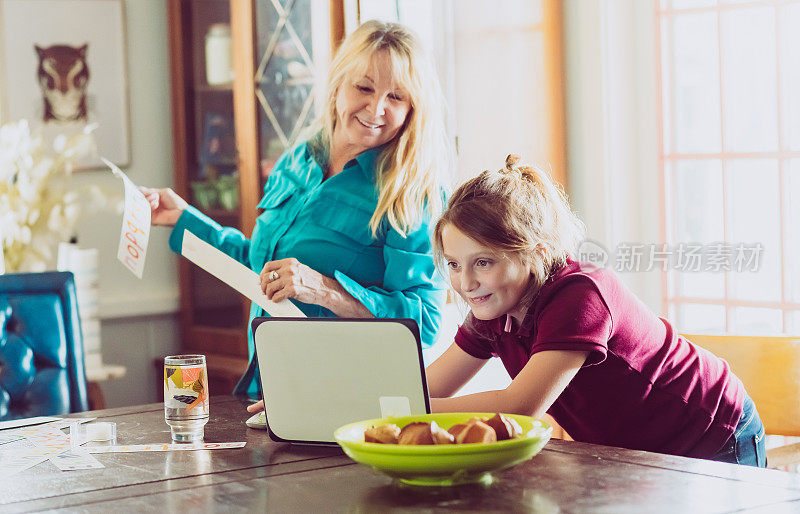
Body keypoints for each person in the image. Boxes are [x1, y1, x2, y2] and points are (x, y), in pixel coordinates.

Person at [142, 20, 450, 403]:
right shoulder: (297, 161)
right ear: (338, 84)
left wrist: (326, 290)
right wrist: (184, 218)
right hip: (269, 387)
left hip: (350, 400)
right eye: (364, 87)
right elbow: (261, 267)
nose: (377, 108)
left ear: (413, 109)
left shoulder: (413, 194)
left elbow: (427, 322)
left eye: (397, 97)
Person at [425, 154, 766, 467]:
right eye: (454, 264)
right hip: (639, 455)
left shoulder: (579, 295)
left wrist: (406, 410)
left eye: (483, 262)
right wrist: (390, 401)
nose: (465, 282)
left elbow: (520, 406)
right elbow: (428, 387)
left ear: (539, 255)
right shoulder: (493, 312)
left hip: (714, 433)